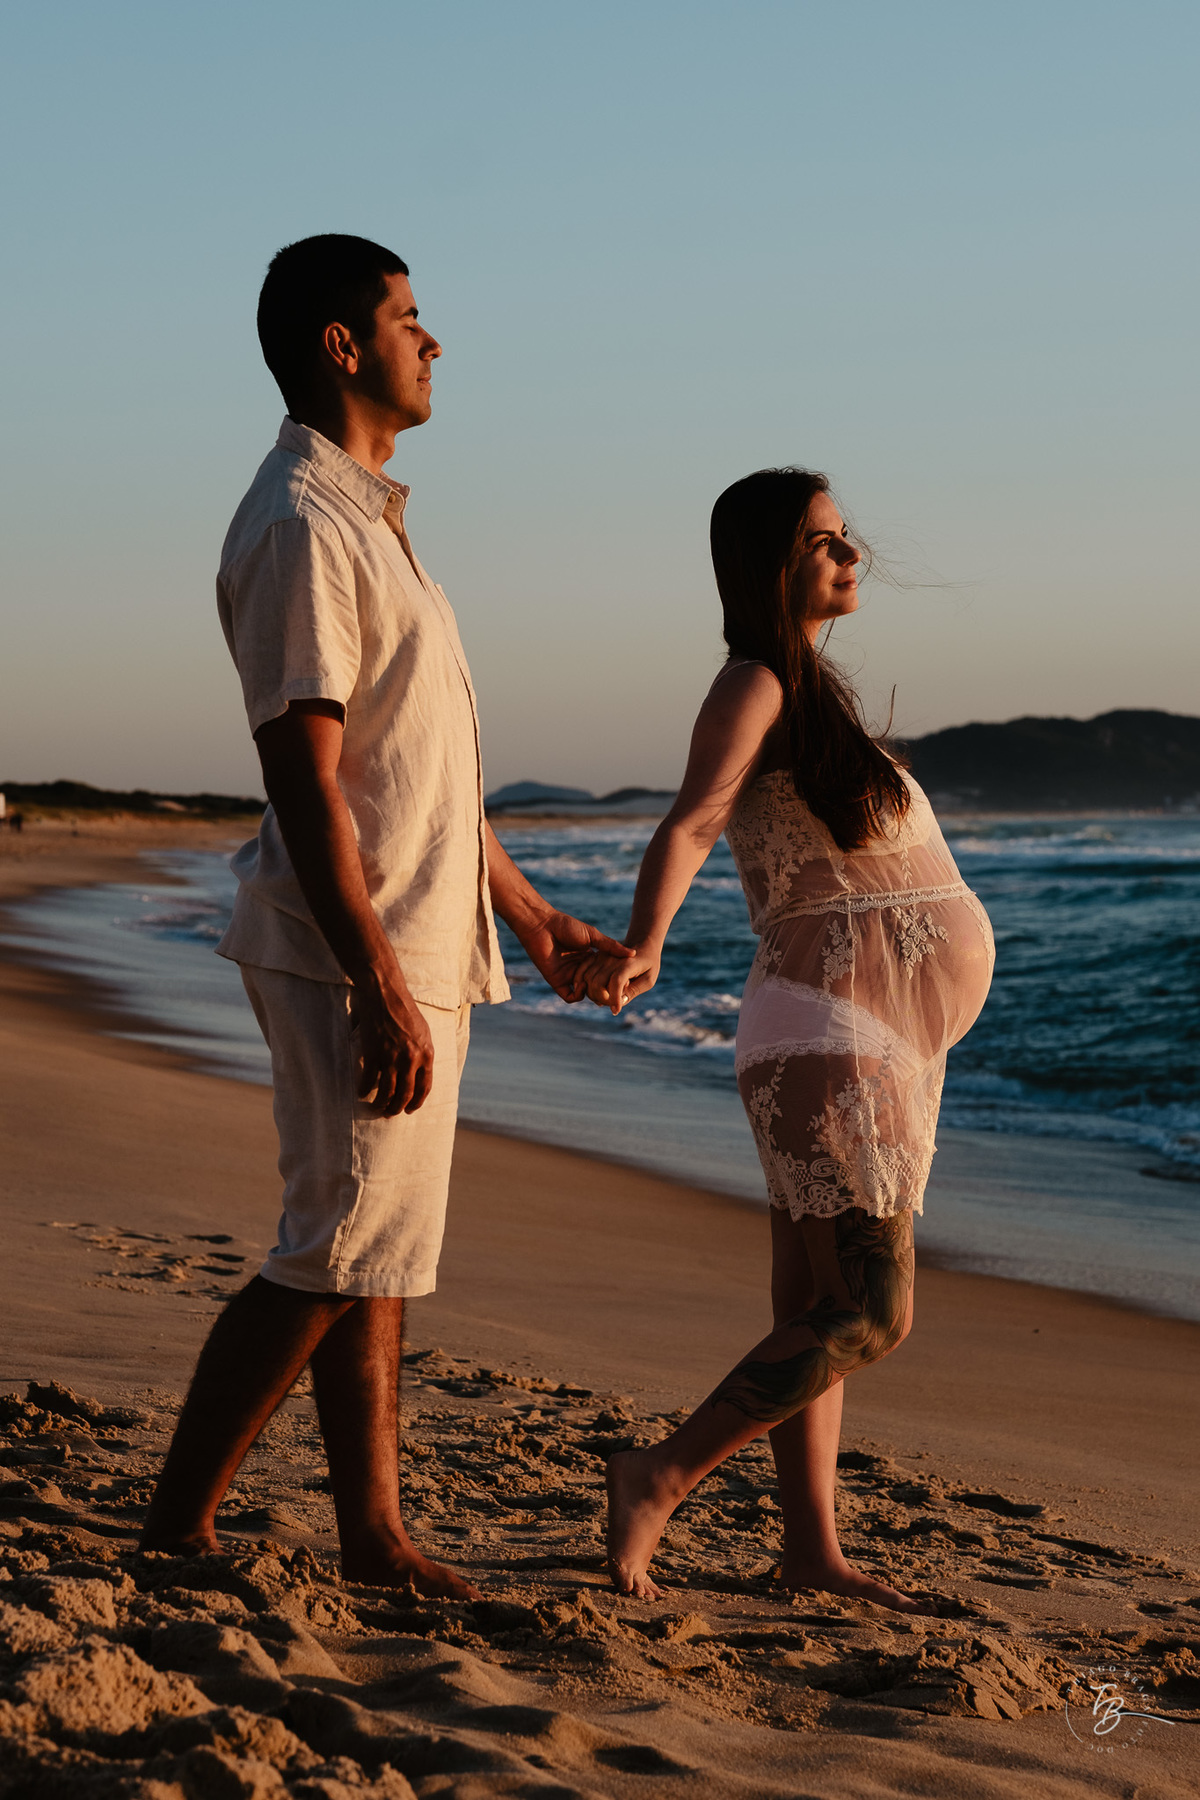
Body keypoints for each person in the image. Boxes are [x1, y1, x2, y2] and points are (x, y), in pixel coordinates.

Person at [140, 234, 628, 1598]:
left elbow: (416, 774)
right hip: (352, 947)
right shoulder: (300, 521)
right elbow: (303, 776)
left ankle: (373, 1534)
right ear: (341, 345)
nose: (435, 340)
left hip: (410, 935)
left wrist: (531, 916)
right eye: (410, 316)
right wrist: (375, 981)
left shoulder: (368, 520)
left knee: (379, 1251)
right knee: (335, 1243)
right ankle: (177, 1531)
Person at [584, 468, 995, 1609]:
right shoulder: (756, 681)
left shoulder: (809, 693)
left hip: (865, 1034)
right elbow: (693, 820)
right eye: (825, 541)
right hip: (829, 1028)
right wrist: (646, 941)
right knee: (871, 1311)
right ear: (773, 566)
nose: (851, 554)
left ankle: (811, 1551)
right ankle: (660, 1476)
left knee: (811, 1311)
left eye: (846, 535)